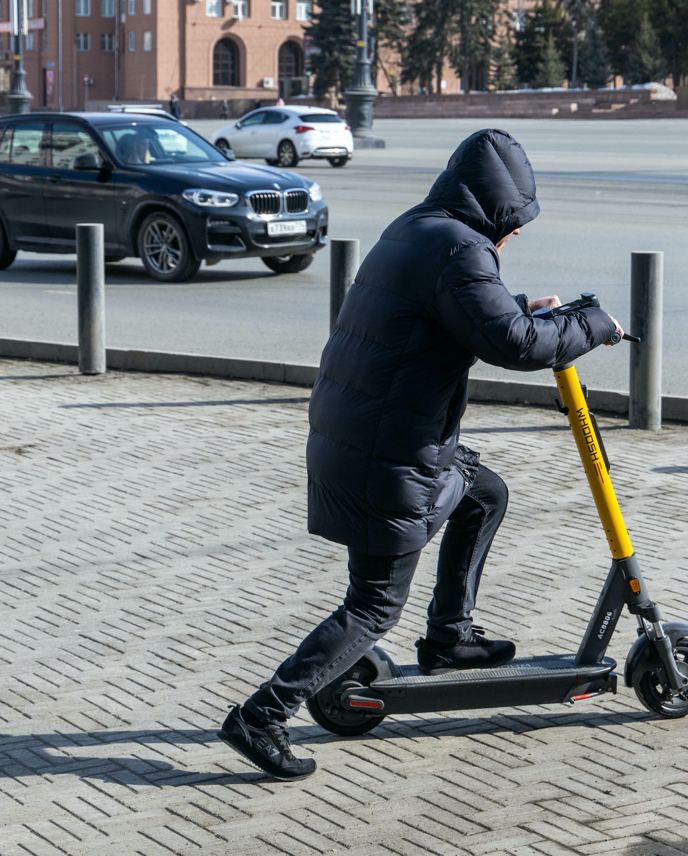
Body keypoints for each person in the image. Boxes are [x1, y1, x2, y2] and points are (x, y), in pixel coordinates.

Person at [217, 129, 623, 781]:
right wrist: (591, 327)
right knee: (374, 604)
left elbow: (457, 314)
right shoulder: (459, 248)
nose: (512, 235)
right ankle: (262, 715)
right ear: (491, 204)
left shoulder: (422, 228)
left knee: (484, 492)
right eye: (511, 220)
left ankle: (449, 637)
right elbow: (513, 345)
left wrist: (525, 305)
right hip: (389, 456)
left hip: (369, 439)